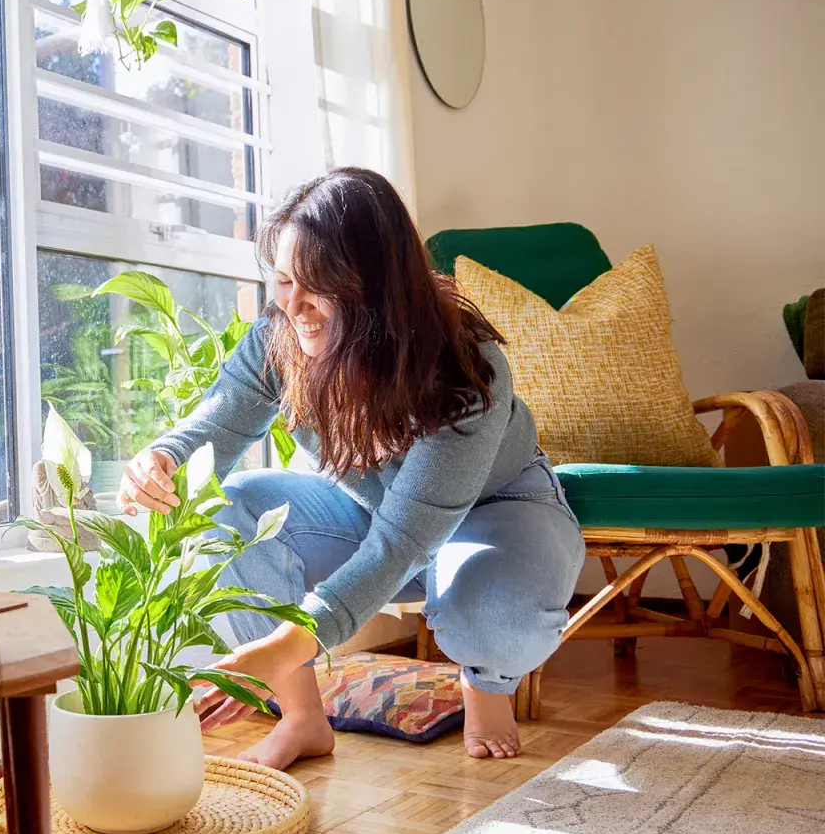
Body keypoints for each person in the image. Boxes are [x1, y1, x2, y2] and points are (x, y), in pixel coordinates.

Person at [116, 168, 584, 766]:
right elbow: (219, 423)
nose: (294, 306)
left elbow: (403, 542)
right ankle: (303, 718)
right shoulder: (279, 338)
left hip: (497, 509)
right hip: (369, 510)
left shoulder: (464, 367)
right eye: (284, 280)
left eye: (318, 287)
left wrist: (284, 643)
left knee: (498, 622)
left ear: (378, 285)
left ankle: (486, 683)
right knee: (232, 510)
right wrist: (164, 458)